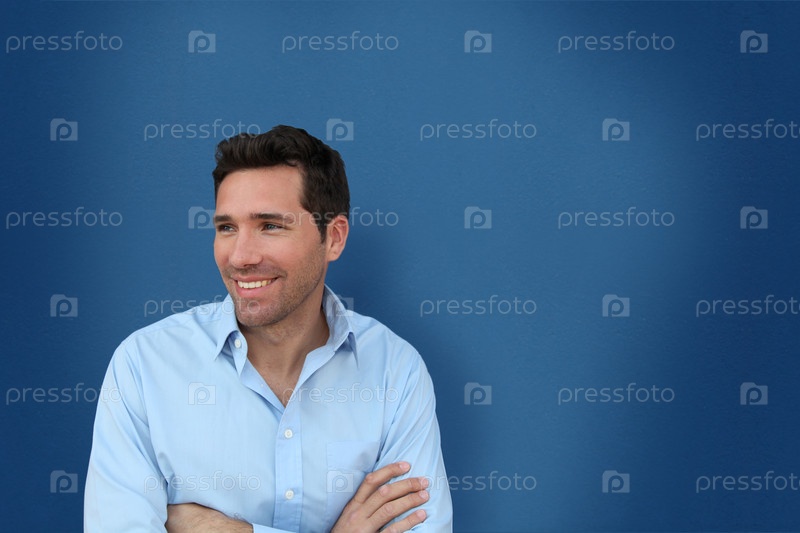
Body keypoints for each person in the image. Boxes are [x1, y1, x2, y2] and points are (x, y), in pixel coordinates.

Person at [84, 125, 452, 532]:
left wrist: (233, 530)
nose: (240, 257)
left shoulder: (394, 371)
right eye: (227, 228)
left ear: (333, 238)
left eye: (270, 226)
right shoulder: (144, 366)